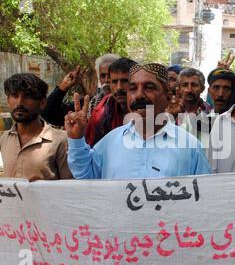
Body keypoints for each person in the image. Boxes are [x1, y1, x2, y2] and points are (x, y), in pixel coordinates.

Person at [64, 63, 210, 179]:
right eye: (133, 88)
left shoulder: (191, 147)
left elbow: (203, 197)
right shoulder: (110, 142)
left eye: (149, 87)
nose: (139, 95)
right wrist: (76, 139)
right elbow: (85, 175)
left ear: (167, 96)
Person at [0, 74, 73, 181]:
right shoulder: (5, 139)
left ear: (42, 103)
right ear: (8, 100)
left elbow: (68, 191)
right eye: (14, 96)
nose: (20, 103)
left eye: (27, 96)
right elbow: (7, 183)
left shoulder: (61, 141)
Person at [85, 57, 137, 147]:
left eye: (125, 81)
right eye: (114, 82)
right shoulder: (101, 109)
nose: (119, 87)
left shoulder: (149, 110)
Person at [174, 68, 213, 147]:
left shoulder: (211, 113)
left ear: (202, 89)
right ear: (179, 89)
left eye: (194, 85)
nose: (189, 90)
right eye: (184, 85)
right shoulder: (171, 112)